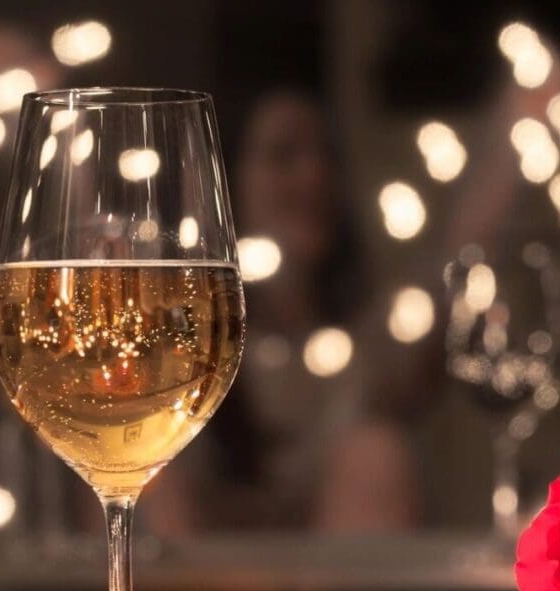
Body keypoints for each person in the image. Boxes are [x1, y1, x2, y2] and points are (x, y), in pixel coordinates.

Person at [149, 90, 418, 533]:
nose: (314, 175)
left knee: (376, 454)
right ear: (223, 180)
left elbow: (452, 265)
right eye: (283, 154)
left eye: (324, 155)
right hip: (199, 584)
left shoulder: (373, 334)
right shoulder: (178, 336)